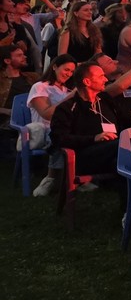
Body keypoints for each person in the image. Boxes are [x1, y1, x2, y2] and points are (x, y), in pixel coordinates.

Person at [27, 55, 77, 196]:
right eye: (66, 69)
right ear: (54, 66)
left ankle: (77, 177)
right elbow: (47, 114)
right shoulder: (40, 87)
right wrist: (70, 98)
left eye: (72, 72)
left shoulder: (66, 90)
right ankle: (51, 178)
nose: (69, 74)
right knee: (59, 136)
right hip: (43, 130)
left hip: (64, 128)